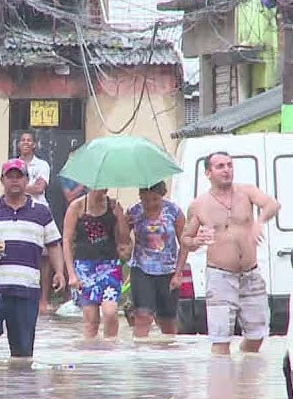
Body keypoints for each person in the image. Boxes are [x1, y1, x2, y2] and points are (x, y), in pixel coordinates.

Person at [181, 151, 281, 355]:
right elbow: (185, 239)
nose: (227, 170)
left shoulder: (247, 192)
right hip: (220, 276)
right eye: (220, 166)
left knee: (256, 337)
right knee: (220, 340)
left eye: (229, 165)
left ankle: (245, 379)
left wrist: (259, 223)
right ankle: (222, 383)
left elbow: (272, 204)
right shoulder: (199, 205)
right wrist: (196, 241)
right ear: (209, 173)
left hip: (250, 273)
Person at [0, 159, 65, 360]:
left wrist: (60, 273)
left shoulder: (41, 212)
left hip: (26, 289)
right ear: (2, 180)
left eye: (19, 176)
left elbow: (54, 244)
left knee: (22, 355)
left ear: (26, 180)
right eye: (9, 177)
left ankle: (19, 390)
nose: (14, 181)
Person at [62, 187, 131, 340]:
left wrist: (120, 217)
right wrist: (71, 274)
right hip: (85, 268)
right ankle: (90, 356)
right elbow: (66, 240)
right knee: (91, 320)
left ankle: (110, 346)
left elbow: (125, 239)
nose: (102, 189)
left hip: (110, 265)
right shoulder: (77, 206)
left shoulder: (113, 206)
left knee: (110, 311)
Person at [126, 181, 186, 339]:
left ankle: (167, 358)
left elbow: (184, 244)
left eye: (154, 199)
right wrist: (123, 224)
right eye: (145, 200)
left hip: (168, 271)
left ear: (162, 195)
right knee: (143, 316)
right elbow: (123, 241)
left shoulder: (174, 212)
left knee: (168, 321)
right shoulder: (134, 212)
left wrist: (179, 273)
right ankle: (139, 356)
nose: (150, 204)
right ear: (140, 197)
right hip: (141, 269)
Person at [16, 131, 54, 315]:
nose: (25, 143)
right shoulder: (12, 164)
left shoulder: (42, 165)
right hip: (19, 213)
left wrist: (18, 187)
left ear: (34, 145)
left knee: (45, 257)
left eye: (29, 140)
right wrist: (24, 189)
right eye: (22, 140)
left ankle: (44, 300)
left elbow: (40, 188)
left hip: (39, 213)